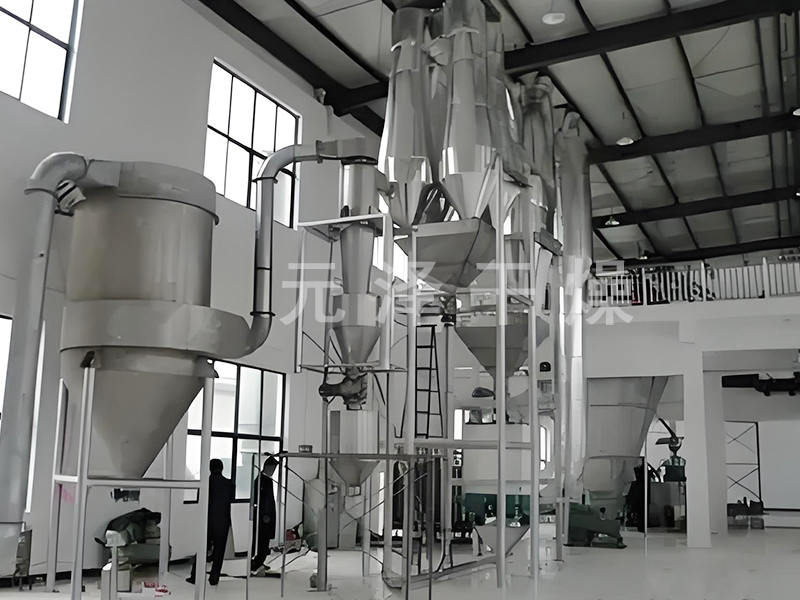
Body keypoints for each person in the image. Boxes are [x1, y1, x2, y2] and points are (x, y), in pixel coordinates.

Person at [188, 458, 233, 586]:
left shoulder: (205, 483)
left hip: (207, 521)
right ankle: (214, 578)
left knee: (202, 548)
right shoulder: (229, 483)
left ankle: (195, 576)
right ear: (222, 468)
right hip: (223, 522)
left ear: (210, 468)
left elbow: (201, 502)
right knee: (219, 551)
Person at [251, 455, 278, 573]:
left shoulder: (266, 479)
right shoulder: (261, 480)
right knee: (262, 541)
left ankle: (260, 562)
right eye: (273, 468)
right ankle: (257, 563)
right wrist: (266, 517)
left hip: (266, 515)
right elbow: (262, 500)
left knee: (265, 541)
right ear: (267, 467)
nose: (273, 471)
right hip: (263, 516)